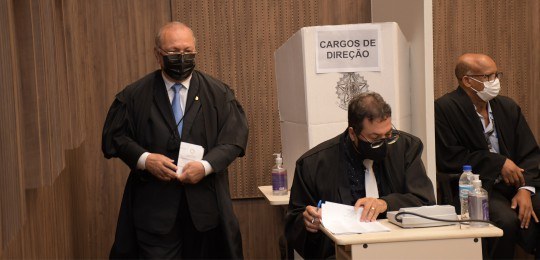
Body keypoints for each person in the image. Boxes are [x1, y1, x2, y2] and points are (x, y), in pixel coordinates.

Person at [102, 21, 248, 259]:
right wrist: (144, 159)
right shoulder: (135, 95)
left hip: (205, 211)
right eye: (173, 52)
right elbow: (113, 138)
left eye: (188, 52)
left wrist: (205, 166)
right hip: (154, 213)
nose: (182, 58)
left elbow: (234, 139)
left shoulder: (219, 94)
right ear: (158, 55)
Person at [285, 92, 436, 259]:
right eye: (374, 138)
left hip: (399, 250)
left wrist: (385, 203)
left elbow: (425, 201)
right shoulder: (313, 164)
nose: (384, 143)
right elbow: (293, 225)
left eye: (388, 135)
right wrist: (307, 222)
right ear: (352, 133)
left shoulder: (406, 148)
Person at [435, 53, 540, 259]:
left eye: (496, 75)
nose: (495, 81)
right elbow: (449, 156)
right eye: (488, 77)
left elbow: (529, 152)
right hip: (475, 188)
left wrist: (525, 189)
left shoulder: (507, 107)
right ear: (467, 80)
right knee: (505, 222)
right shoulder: (444, 109)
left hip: (516, 184)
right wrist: (498, 163)